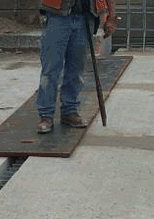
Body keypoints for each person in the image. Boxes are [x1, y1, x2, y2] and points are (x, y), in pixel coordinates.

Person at [36, 0, 116, 134]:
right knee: (50, 69)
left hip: (84, 17)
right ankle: (46, 115)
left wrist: (111, 16)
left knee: (77, 68)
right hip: (57, 16)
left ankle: (70, 111)